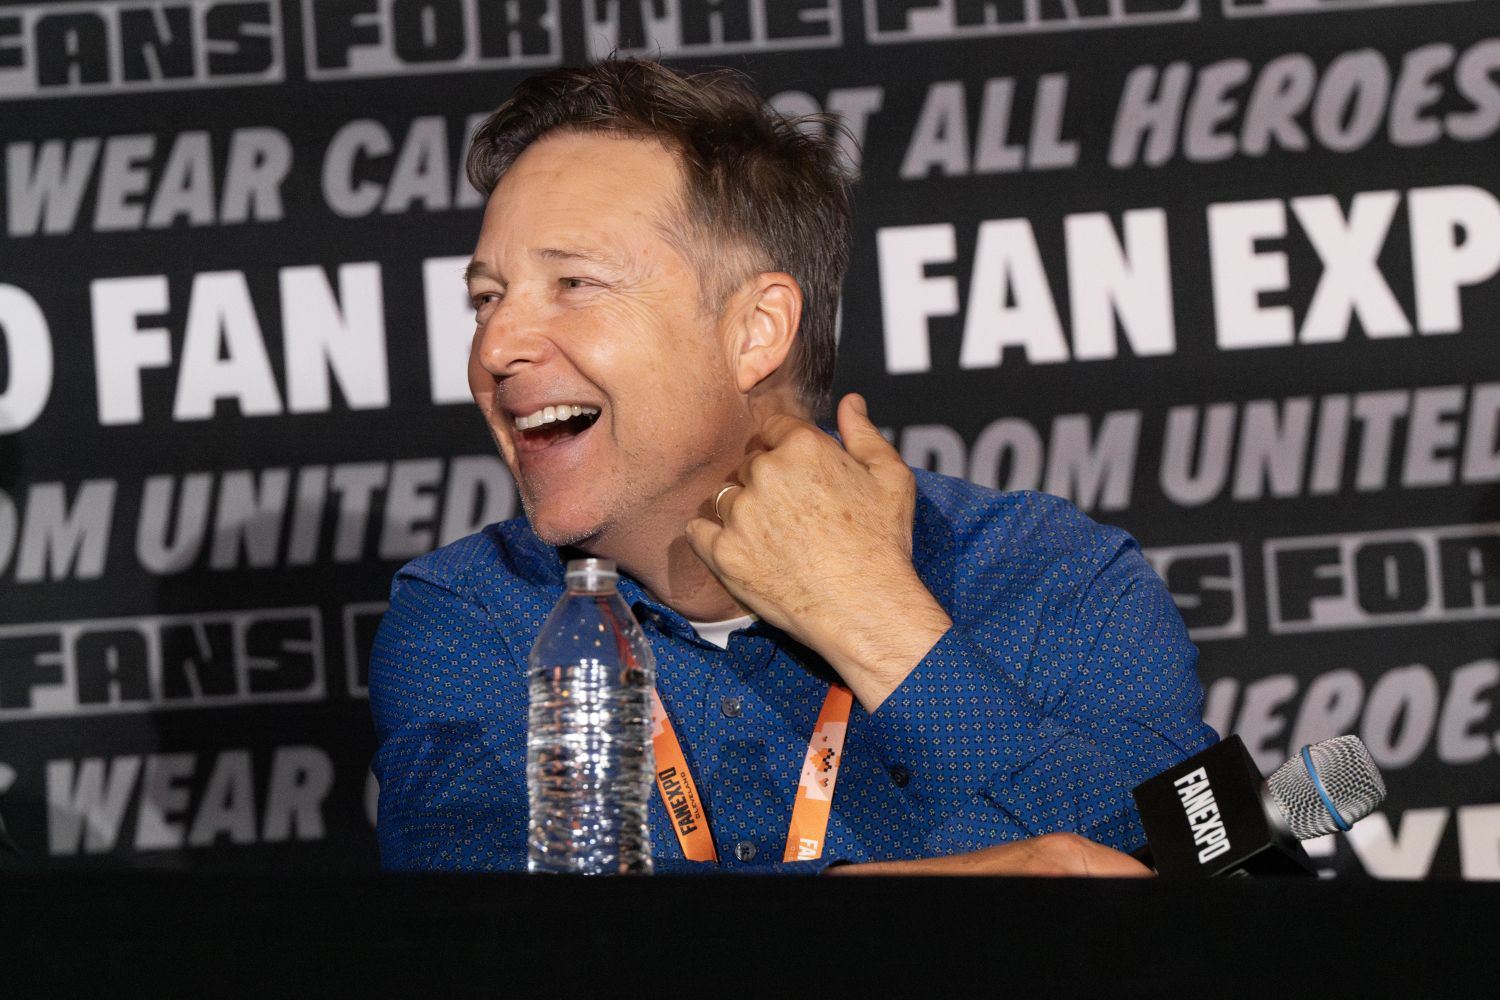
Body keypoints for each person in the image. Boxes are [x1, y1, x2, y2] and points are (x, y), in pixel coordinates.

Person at [369, 58, 1216, 875]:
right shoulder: (469, 616)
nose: (497, 345)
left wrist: (876, 618)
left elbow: (1182, 878)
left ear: (756, 330)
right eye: (488, 296)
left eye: (574, 284)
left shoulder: (1051, 577)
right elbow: (496, 932)